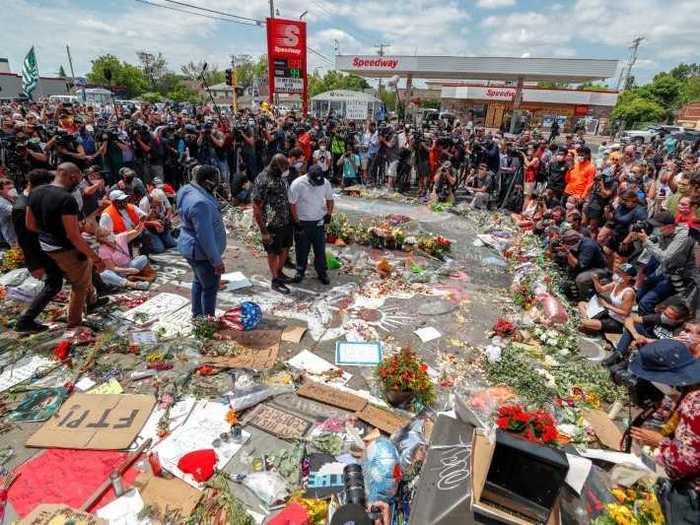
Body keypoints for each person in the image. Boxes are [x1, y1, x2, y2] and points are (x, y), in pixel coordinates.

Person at [26, 162, 106, 329]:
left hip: (46, 246)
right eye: (78, 179)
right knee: (79, 285)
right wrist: (96, 258)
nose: (78, 182)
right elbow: (73, 236)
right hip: (65, 249)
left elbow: (30, 225)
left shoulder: (35, 192)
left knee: (83, 276)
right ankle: (75, 323)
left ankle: (92, 301)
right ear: (72, 177)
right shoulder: (66, 199)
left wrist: (48, 232)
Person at [628, 341, 700, 523]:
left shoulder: (695, 402)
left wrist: (659, 442)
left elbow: (683, 462)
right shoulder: (689, 386)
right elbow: (666, 411)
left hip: (690, 496)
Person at [12, 169, 63, 332]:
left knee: (58, 282)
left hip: (47, 248)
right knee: (54, 284)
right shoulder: (22, 207)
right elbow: (25, 240)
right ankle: (25, 321)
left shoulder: (31, 200)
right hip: (40, 253)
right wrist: (34, 265)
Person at [176, 165, 227, 318]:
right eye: (216, 181)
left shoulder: (186, 189)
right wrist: (216, 261)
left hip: (190, 247)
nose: (218, 184)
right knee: (210, 288)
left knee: (199, 281)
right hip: (201, 253)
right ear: (207, 182)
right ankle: (207, 319)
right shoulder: (200, 203)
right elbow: (205, 236)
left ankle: (197, 314)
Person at [633, 211, 697, 314]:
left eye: (658, 226)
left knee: (646, 302)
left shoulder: (683, 236)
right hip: (665, 269)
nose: (656, 229)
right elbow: (658, 241)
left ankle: (647, 324)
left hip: (680, 275)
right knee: (644, 287)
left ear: (670, 226)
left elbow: (665, 257)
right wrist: (646, 239)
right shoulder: (666, 232)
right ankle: (642, 312)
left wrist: (646, 241)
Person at [252, 154, 294, 294]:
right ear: (277, 166)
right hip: (272, 223)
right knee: (273, 252)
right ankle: (275, 280)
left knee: (285, 247)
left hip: (286, 220)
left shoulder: (280, 176)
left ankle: (279, 272)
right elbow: (257, 207)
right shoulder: (263, 179)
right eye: (285, 168)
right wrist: (264, 231)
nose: (286, 170)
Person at [604, 301, 691, 367]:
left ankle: (628, 363)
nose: (664, 316)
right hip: (646, 342)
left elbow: (667, 347)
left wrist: (646, 340)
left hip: (658, 352)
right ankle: (619, 354)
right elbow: (629, 319)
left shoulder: (681, 331)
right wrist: (636, 335)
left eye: (669, 316)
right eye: (664, 313)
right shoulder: (659, 317)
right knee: (635, 326)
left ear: (679, 320)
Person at [288, 165, 334, 286]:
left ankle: (322, 272)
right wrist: (296, 221)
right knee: (302, 249)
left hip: (318, 221)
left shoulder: (325, 183)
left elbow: (330, 199)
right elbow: (292, 204)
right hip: (302, 222)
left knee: (320, 249)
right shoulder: (297, 184)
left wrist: (329, 213)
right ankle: (300, 271)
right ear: (308, 176)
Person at [577, 263, 636, 334]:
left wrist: (608, 306)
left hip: (616, 321)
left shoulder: (628, 293)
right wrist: (595, 280)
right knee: (581, 304)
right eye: (618, 272)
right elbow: (601, 290)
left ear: (628, 278)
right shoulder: (616, 284)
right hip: (608, 313)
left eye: (620, 273)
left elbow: (625, 313)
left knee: (584, 323)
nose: (617, 274)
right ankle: (588, 320)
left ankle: (589, 322)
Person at [557, 229, 607, 299]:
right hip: (587, 266)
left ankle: (583, 298)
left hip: (598, 269)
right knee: (564, 262)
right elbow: (572, 264)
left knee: (581, 279)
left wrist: (568, 252)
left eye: (567, 243)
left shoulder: (588, 246)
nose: (566, 245)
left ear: (573, 241)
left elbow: (579, 266)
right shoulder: (577, 243)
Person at [0, 177, 18, 247]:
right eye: (9, 189)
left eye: (13, 188)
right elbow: (17, 212)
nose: (13, 190)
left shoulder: (9, 198)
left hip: (16, 233)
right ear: (0, 190)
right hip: (11, 237)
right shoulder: (1, 203)